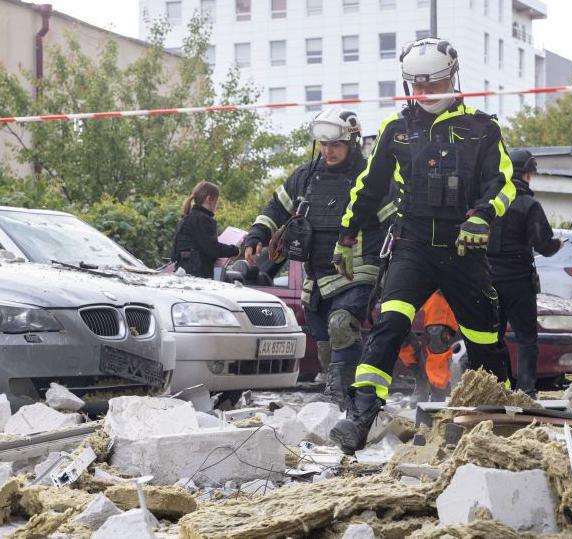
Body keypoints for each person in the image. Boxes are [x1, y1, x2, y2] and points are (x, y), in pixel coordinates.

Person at [329, 37, 516, 454]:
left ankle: (500, 417)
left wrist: (483, 216)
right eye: (416, 85)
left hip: (463, 249)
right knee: (390, 323)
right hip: (412, 243)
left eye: (432, 84)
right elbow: (368, 187)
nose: (424, 93)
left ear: (452, 76)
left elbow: (502, 182)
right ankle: (359, 417)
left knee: (484, 339)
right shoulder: (397, 130)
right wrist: (346, 235)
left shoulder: (482, 129)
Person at [242, 107, 389, 407]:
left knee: (341, 325)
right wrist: (257, 233)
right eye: (323, 145)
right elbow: (275, 207)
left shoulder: (371, 178)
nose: (328, 151)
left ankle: (346, 400)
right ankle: (345, 400)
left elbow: (392, 224)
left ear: (352, 142)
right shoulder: (304, 176)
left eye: (335, 145)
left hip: (356, 271)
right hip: (317, 278)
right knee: (325, 344)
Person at [487, 149, 562, 396]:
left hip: (488, 281)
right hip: (519, 282)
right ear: (526, 174)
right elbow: (543, 244)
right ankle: (526, 391)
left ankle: (496, 387)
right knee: (526, 338)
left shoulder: (490, 203)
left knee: (492, 338)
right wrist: (557, 245)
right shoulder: (529, 205)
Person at [172, 181, 240, 278]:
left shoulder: (186, 218)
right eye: (216, 202)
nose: (217, 206)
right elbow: (212, 249)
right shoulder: (203, 219)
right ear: (209, 199)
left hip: (182, 270)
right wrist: (235, 250)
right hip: (197, 273)